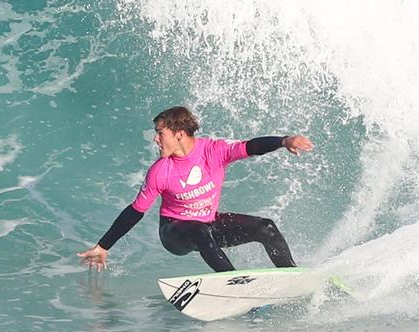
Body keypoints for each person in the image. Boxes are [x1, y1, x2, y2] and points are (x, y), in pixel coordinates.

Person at [78, 106, 313, 273]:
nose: (155, 140)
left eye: (160, 133)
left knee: (266, 227)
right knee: (200, 232)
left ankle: (293, 276)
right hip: (174, 232)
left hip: (208, 224)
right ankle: (235, 284)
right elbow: (135, 212)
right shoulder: (160, 171)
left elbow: (250, 146)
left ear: (179, 133)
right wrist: (103, 246)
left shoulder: (213, 151)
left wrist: (284, 141)